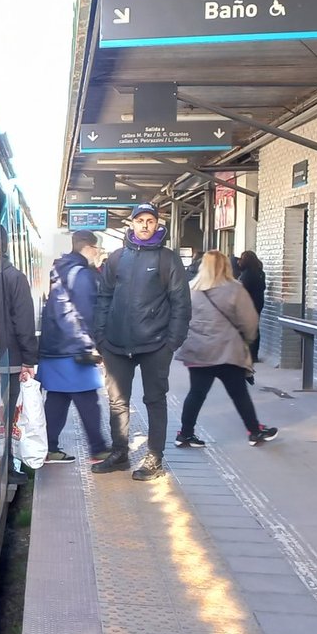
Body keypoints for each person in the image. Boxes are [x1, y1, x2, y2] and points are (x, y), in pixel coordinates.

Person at [90, 204, 191, 482]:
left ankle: (154, 457)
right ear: (131, 224)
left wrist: (172, 343)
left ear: (158, 225)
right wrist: (100, 336)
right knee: (117, 402)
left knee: (154, 401)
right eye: (140, 221)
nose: (145, 225)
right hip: (116, 344)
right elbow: (103, 298)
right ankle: (120, 453)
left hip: (155, 345)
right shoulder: (116, 258)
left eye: (150, 221)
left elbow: (181, 303)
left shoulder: (167, 259)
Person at [176, 252, 280, 447]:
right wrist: (247, 341)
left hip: (199, 352)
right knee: (239, 393)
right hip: (227, 352)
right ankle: (254, 431)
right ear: (226, 266)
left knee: (196, 393)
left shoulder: (190, 289)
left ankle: (185, 434)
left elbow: (180, 318)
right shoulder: (234, 289)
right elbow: (249, 321)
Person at [0, 229, 40, 483]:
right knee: (12, 413)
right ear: (10, 245)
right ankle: (9, 469)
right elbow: (24, 322)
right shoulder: (16, 278)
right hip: (13, 360)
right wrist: (29, 359)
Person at [37, 231, 107, 464]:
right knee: (88, 401)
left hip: (53, 349)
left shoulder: (59, 270)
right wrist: (92, 346)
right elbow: (85, 313)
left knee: (57, 399)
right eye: (97, 249)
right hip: (74, 350)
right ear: (89, 247)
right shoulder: (83, 274)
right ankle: (98, 450)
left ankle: (48, 448)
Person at [237, 251, 268, 362]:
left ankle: (247, 354)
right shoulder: (260, 273)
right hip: (258, 303)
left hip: (247, 304)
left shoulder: (247, 274)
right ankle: (254, 354)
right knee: (254, 328)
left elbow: (242, 290)